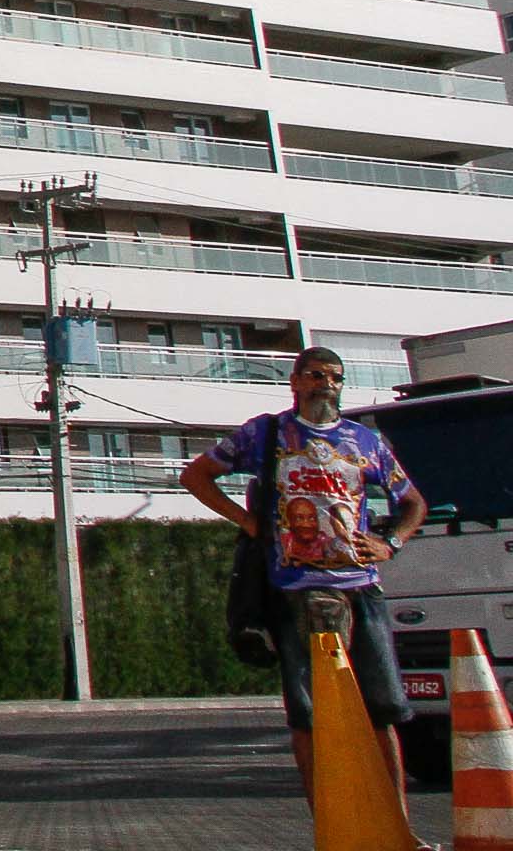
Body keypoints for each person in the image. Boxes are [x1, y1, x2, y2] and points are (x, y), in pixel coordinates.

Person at [182, 345, 431, 844]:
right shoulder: (267, 433)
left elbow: (412, 501)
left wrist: (391, 542)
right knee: (309, 716)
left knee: (383, 711)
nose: (326, 384)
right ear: (295, 382)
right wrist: (249, 522)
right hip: (293, 590)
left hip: (360, 587)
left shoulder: (366, 442)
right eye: (315, 375)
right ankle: (331, 829)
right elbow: (196, 475)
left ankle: (399, 829)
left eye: (335, 377)